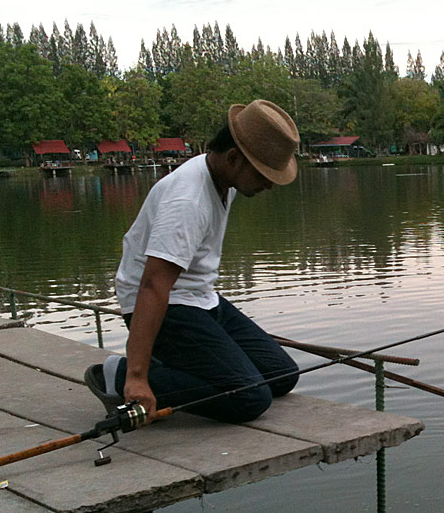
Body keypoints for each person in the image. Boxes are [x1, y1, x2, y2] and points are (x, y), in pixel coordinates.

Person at [85, 99, 301, 424]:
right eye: (263, 174)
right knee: (250, 397)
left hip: (200, 300)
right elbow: (153, 285)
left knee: (281, 375)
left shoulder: (222, 178)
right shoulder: (188, 200)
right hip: (164, 305)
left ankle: (177, 366)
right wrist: (137, 376)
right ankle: (116, 375)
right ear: (233, 157)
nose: (269, 184)